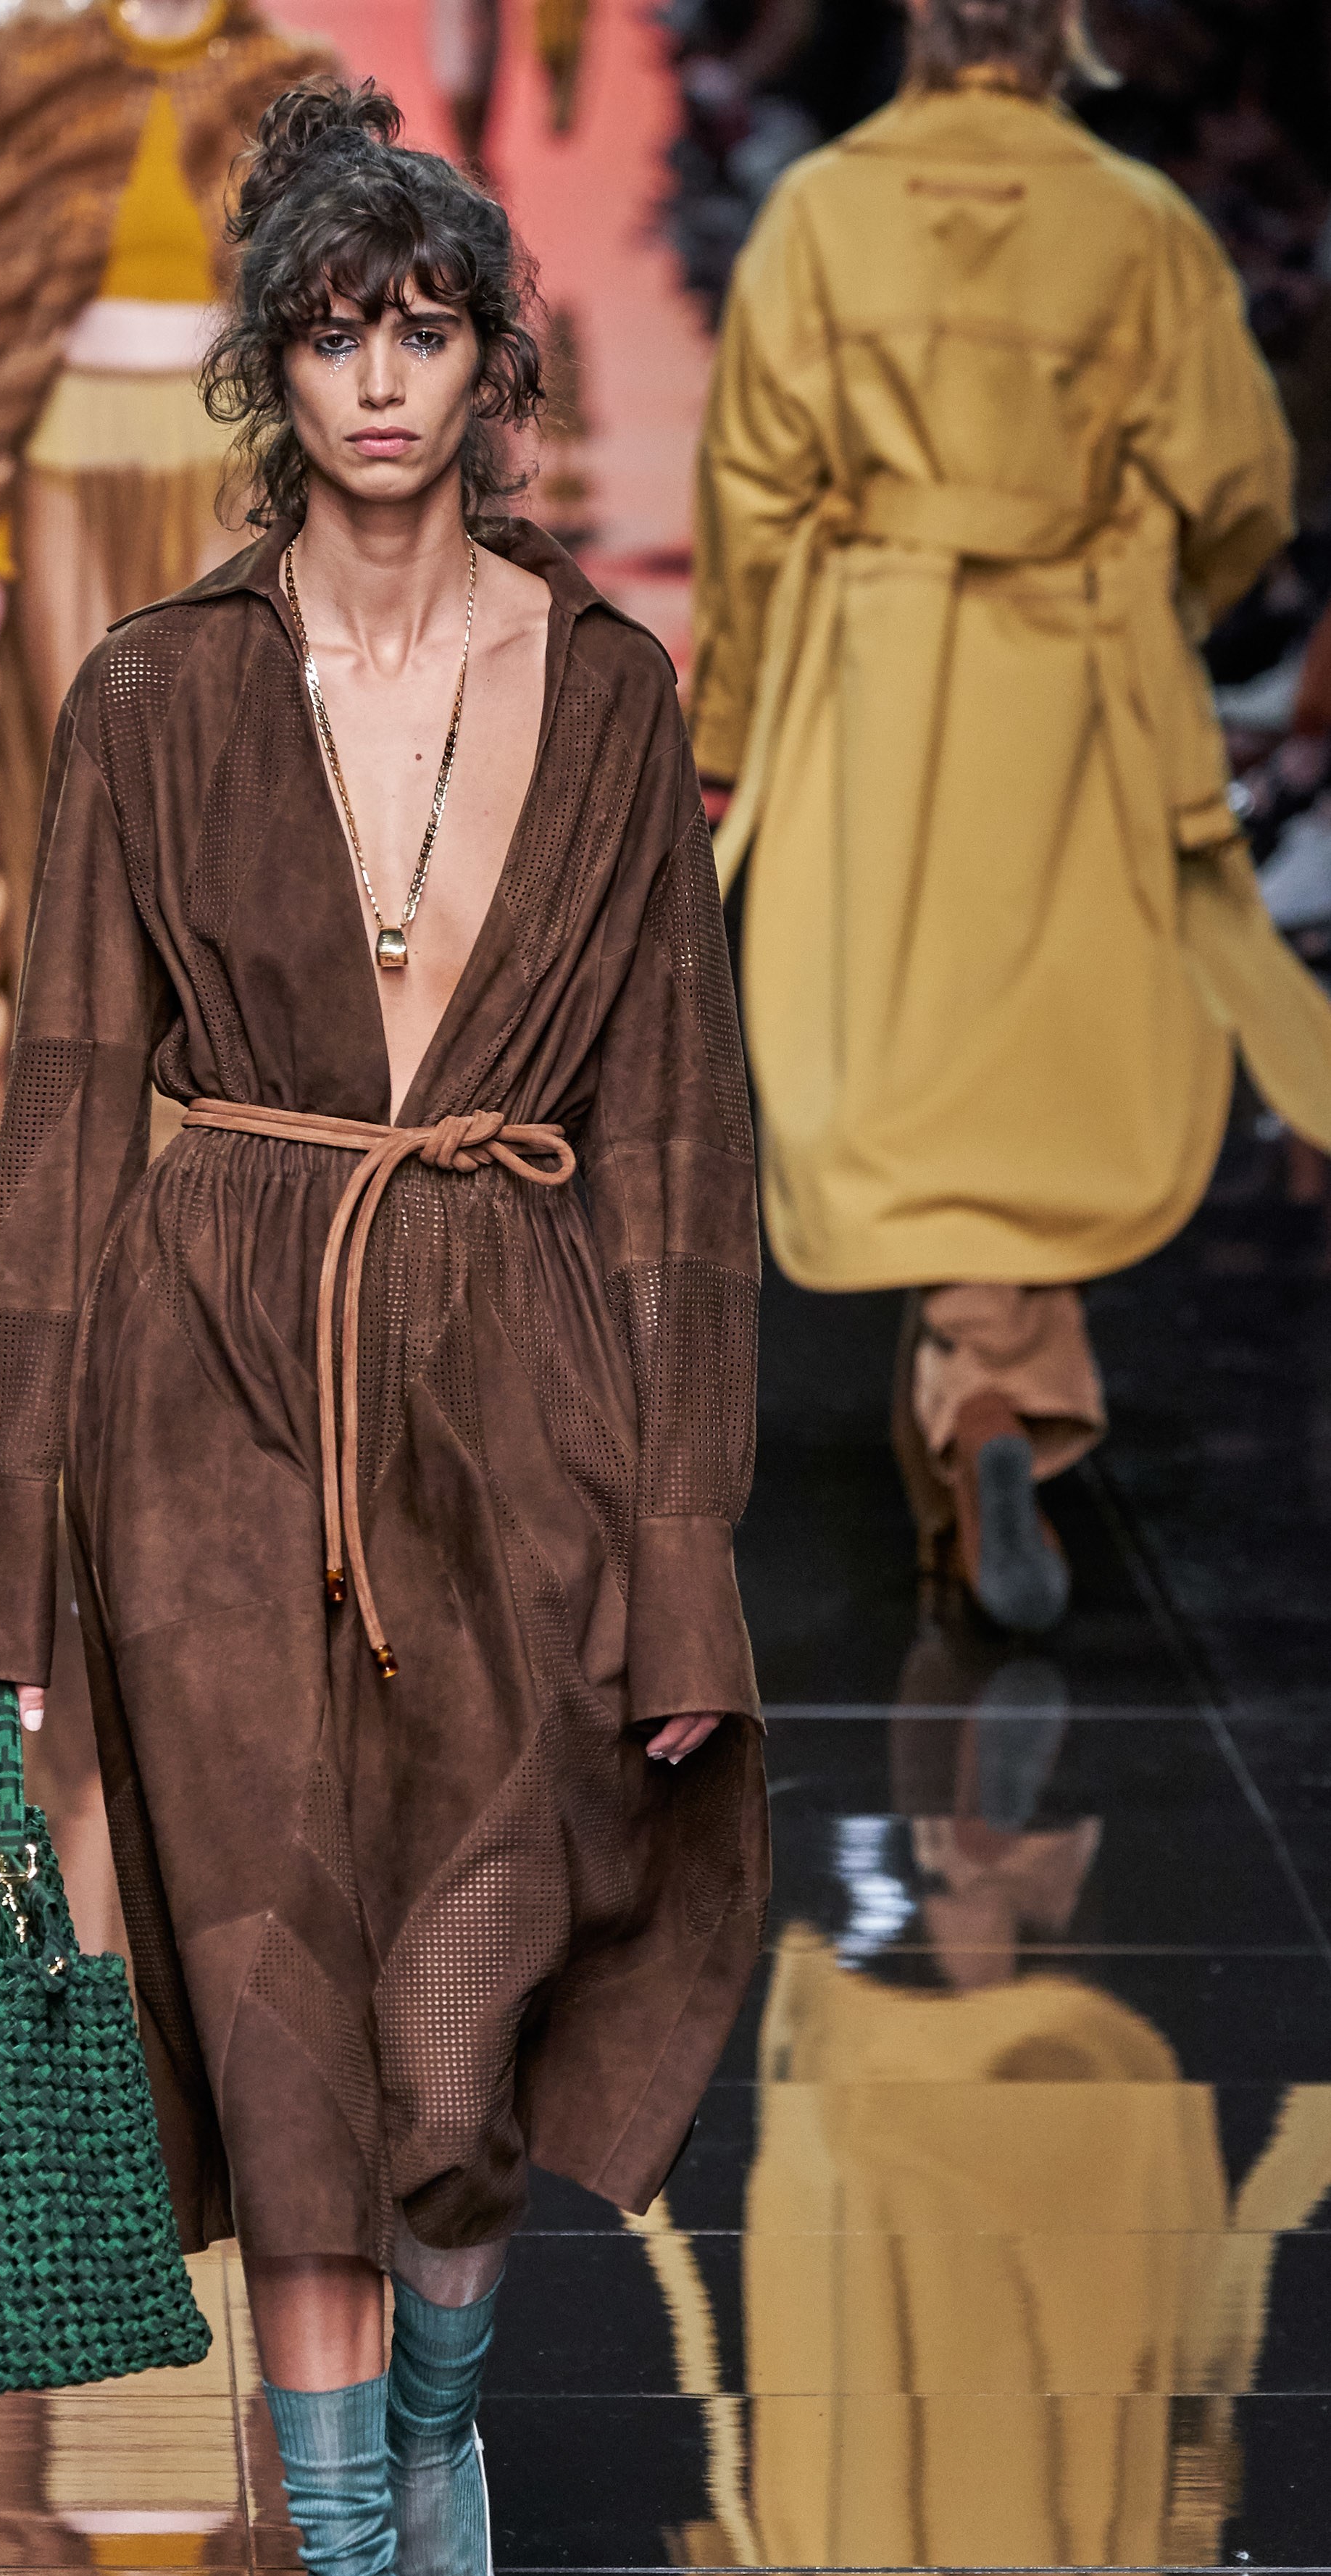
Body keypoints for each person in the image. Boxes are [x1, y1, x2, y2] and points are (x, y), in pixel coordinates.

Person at [0, 78, 769, 2576]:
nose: (382, 379)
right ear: (269, 372)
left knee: (457, 2037)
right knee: (285, 2032)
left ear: (492, 360)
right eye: (332, 331)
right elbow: (66, 1117)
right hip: (212, 1404)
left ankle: (435, 2439)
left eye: (424, 329)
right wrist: (9, 1545)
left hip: (516, 1404)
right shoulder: (158, 696)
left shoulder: (611, 689)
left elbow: (680, 1144)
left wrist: (679, 1552)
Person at [690, 0, 1331, 1632]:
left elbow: (752, 496)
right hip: (1076, 676)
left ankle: (979, 1401)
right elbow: (1244, 482)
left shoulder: (821, 213)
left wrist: (729, 730)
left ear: (920, 27)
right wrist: (1156, 604)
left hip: (872, 671)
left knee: (906, 1065)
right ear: (1062, 36)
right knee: (1037, 1059)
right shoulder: (1139, 223)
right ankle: (994, 1405)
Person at [0, 0, 335, 1154]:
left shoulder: (287, 87)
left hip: (234, 490)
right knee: (70, 824)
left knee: (228, 827)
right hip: (58, 484)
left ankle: (208, 1163)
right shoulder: (29, 77)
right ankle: (72, 1173)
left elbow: (344, 337)